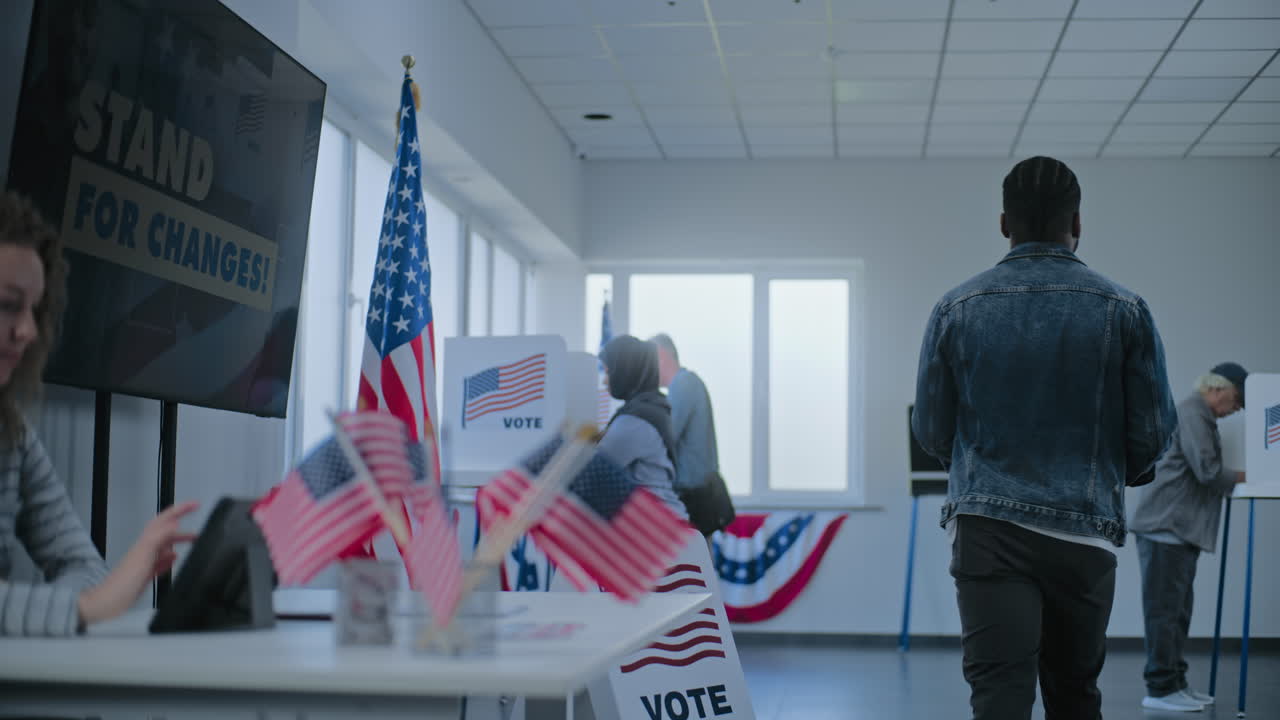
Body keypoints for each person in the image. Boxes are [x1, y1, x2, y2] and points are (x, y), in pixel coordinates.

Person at [911, 156, 1178, 720]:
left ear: (1004, 223)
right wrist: (1111, 471)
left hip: (987, 531)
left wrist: (979, 468)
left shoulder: (955, 308)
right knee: (1075, 694)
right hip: (1083, 530)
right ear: (1076, 222)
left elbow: (931, 429)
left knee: (998, 697)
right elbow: (1153, 431)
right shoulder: (1124, 309)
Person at [0, 189, 198, 636]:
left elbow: (84, 568)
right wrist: (88, 607)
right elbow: (98, 597)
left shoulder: (12, 432)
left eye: (35, 310)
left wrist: (86, 603)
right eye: (8, 306)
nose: (27, 330)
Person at [1130, 363, 1248, 712]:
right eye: (1238, 399)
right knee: (1165, 614)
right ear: (1219, 389)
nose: (1238, 408)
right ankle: (1161, 688)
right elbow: (1208, 471)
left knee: (1177, 613)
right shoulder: (1193, 413)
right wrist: (1250, 474)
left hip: (1175, 531)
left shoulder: (1198, 415)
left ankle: (1174, 683)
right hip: (1166, 528)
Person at [598, 334, 686, 519]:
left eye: (608, 372)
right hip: (666, 521)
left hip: (656, 527)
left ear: (625, 371)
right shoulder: (652, 408)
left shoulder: (635, 421)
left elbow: (594, 470)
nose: (604, 380)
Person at [650, 333, 719, 497]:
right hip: (698, 492)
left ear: (661, 355)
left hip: (694, 495)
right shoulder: (686, 383)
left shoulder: (683, 384)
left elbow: (666, 437)